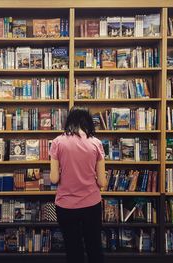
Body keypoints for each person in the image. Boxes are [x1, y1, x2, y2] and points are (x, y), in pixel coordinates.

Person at [49, 107, 107, 263]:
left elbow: (54, 179)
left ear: (69, 120)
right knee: (94, 247)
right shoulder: (96, 143)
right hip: (91, 204)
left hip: (66, 206)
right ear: (88, 121)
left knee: (73, 248)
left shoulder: (57, 142)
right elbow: (102, 182)